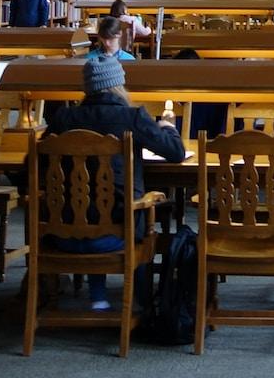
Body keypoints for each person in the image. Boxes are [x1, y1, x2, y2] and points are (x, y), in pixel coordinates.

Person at [41, 54, 185, 310]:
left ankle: (97, 296)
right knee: (121, 210)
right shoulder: (132, 117)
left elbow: (32, 165)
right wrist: (167, 127)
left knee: (90, 202)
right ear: (119, 84)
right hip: (118, 233)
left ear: (87, 87)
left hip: (63, 233)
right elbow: (175, 153)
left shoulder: (63, 119)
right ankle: (141, 302)